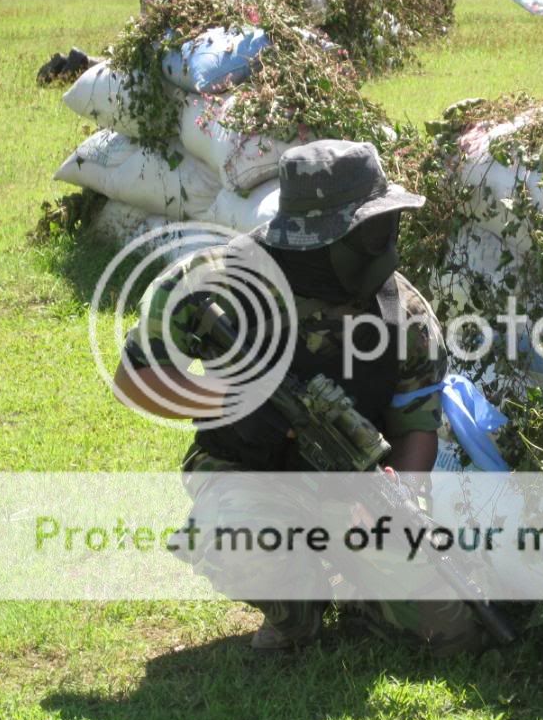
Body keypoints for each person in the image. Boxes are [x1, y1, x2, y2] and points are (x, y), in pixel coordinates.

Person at [114, 140, 486, 654]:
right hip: (251, 477)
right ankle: (295, 612)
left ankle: (355, 589)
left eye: (386, 223)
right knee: (237, 539)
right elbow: (135, 379)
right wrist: (227, 403)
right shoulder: (216, 281)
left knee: (450, 632)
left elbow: (416, 423)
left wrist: (398, 496)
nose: (385, 239)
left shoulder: (404, 314)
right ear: (320, 236)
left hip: (356, 495)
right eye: (370, 228)